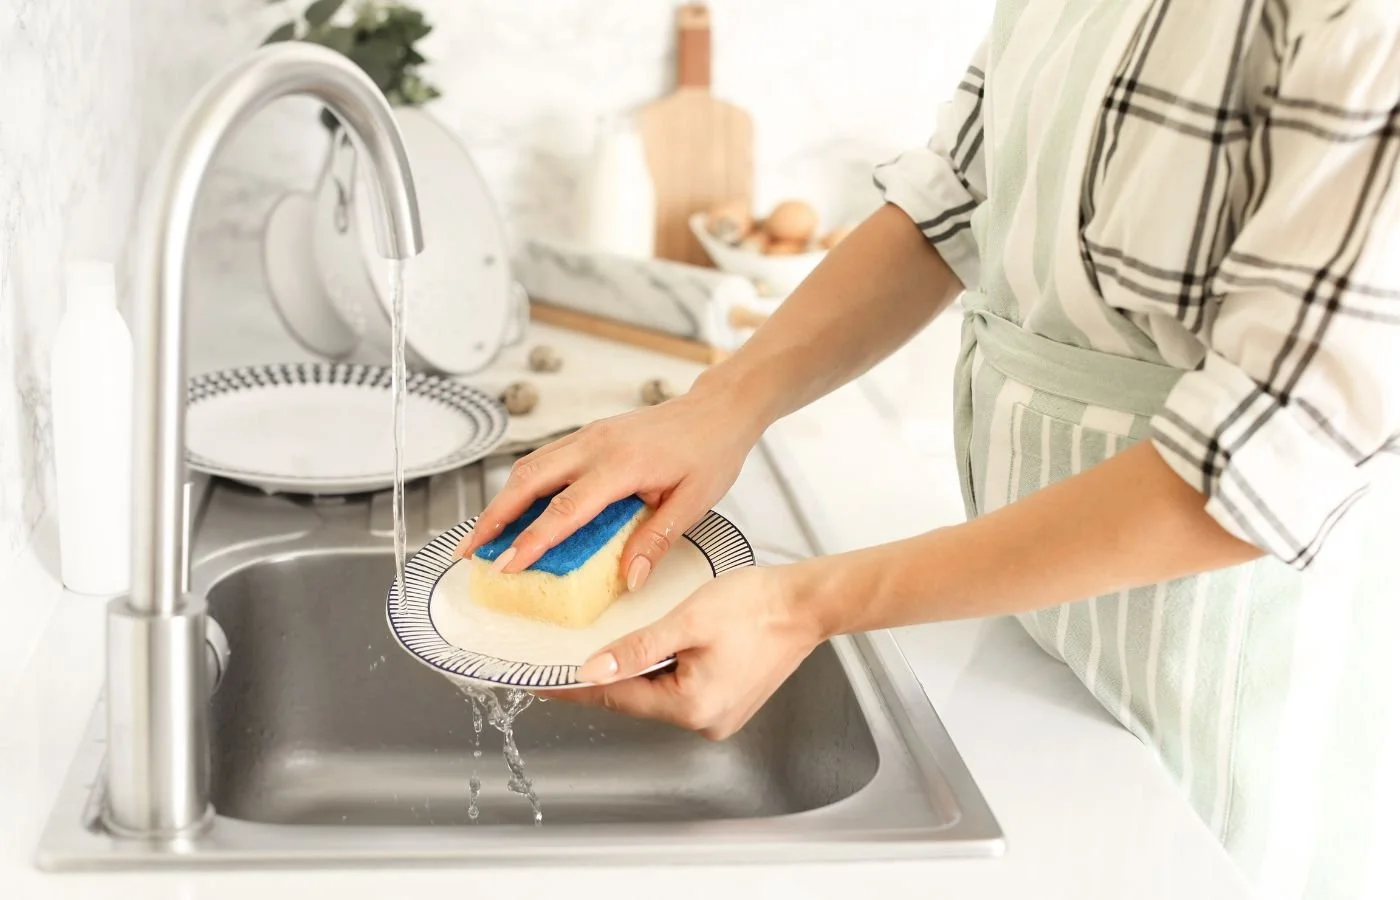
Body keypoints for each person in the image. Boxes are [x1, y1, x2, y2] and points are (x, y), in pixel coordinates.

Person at [458, 1, 1400, 895]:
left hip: (1231, 684)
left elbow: (1260, 461)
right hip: (1033, 624)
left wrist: (801, 606)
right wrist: (721, 405)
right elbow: (954, 200)